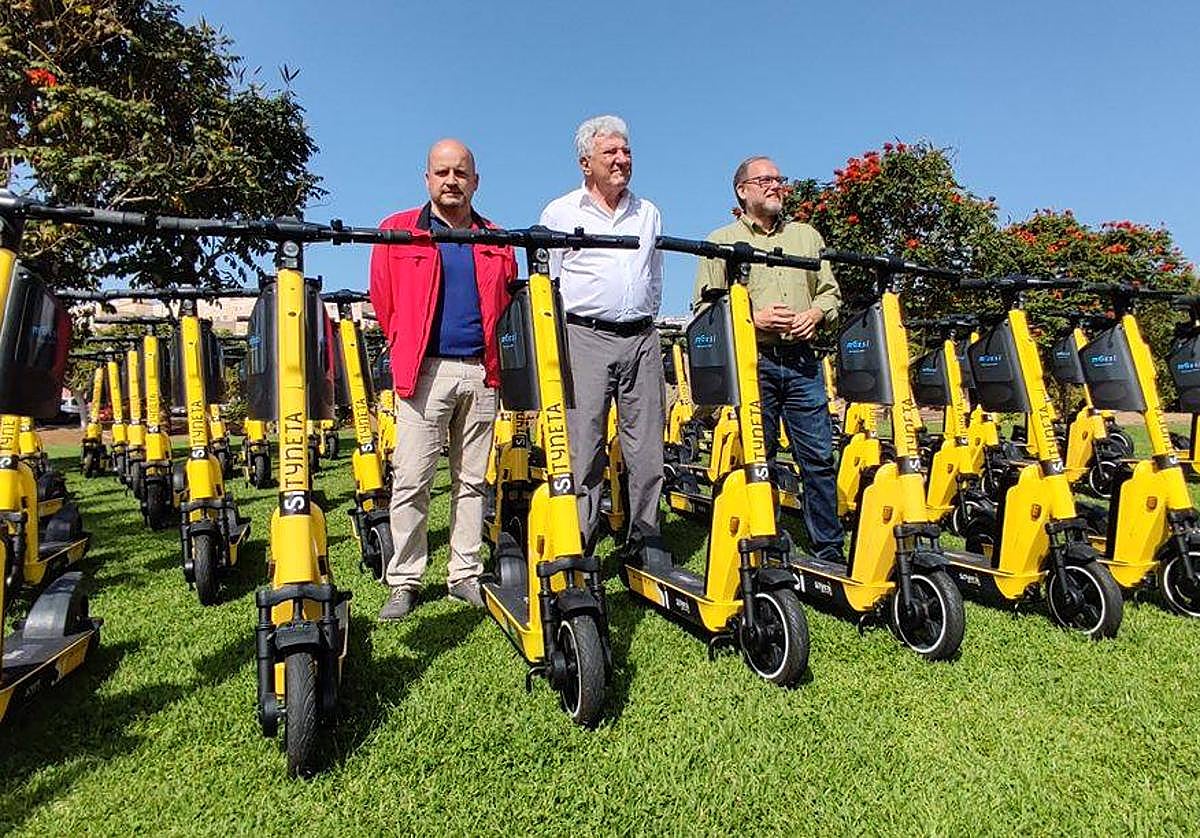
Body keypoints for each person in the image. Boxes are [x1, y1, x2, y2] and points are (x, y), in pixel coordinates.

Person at [368, 139, 518, 621]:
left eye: (460, 172)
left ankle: (464, 573)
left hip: (480, 372)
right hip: (425, 372)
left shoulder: (495, 238)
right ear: (427, 178)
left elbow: (507, 303)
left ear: (476, 181)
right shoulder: (398, 231)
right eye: (441, 172)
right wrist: (406, 343)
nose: (451, 180)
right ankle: (405, 579)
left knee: (472, 480)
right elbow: (383, 297)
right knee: (411, 478)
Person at [693, 155, 845, 563]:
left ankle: (828, 551)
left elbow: (829, 292)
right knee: (760, 458)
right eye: (765, 180)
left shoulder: (807, 237)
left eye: (780, 179)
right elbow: (704, 310)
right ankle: (767, 543)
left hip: (801, 362)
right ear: (742, 190)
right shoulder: (719, 241)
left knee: (817, 457)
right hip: (752, 363)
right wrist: (751, 318)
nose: (776, 185)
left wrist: (815, 313)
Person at [539, 115, 665, 548]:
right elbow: (550, 282)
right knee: (584, 446)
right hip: (584, 338)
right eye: (610, 152)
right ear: (584, 162)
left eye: (626, 151)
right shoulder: (560, 212)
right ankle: (580, 539)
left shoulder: (647, 213)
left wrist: (646, 318)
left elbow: (654, 276)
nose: (621, 160)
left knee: (647, 449)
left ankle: (645, 537)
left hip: (642, 338)